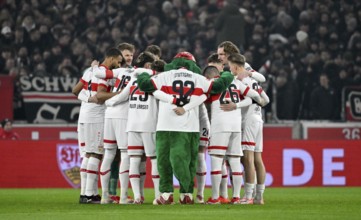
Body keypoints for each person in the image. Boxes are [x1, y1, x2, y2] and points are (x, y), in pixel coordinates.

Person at [137, 52, 234, 204]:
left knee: (164, 162)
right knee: (188, 161)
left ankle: (167, 194)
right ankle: (187, 193)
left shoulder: (166, 75)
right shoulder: (198, 78)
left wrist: (145, 72)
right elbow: (220, 85)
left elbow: (143, 83)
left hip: (165, 125)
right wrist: (227, 72)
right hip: (190, 127)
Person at [102, 52, 160, 204]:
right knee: (154, 160)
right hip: (149, 124)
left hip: (132, 125)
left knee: (133, 160)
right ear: (148, 66)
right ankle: (158, 196)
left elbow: (119, 98)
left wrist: (107, 104)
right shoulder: (155, 80)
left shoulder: (133, 81)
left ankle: (137, 197)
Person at [206, 53, 262, 204]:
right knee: (235, 160)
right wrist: (236, 105)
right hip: (236, 126)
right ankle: (236, 197)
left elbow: (204, 100)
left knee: (217, 160)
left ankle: (216, 197)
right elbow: (254, 97)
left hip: (220, 125)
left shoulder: (213, 83)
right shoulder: (236, 82)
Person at [71, 47, 122, 204]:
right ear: (111, 58)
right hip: (96, 117)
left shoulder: (89, 71)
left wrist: (87, 99)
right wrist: (120, 94)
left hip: (84, 116)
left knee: (88, 154)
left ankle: (86, 194)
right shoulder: (104, 73)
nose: (119, 66)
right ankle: (89, 195)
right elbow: (100, 96)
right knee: (96, 154)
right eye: (118, 62)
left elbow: (75, 91)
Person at [232, 53, 270, 205]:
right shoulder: (253, 80)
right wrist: (257, 105)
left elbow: (249, 98)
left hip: (248, 120)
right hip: (258, 119)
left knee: (247, 159)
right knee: (257, 159)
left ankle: (248, 196)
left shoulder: (240, 80)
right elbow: (265, 100)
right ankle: (259, 197)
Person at [106, 42, 135, 202]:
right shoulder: (112, 73)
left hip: (128, 117)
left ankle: (119, 192)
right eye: (125, 55)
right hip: (116, 115)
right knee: (116, 154)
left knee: (123, 154)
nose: (128, 58)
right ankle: (112, 192)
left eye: (131, 55)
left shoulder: (134, 72)